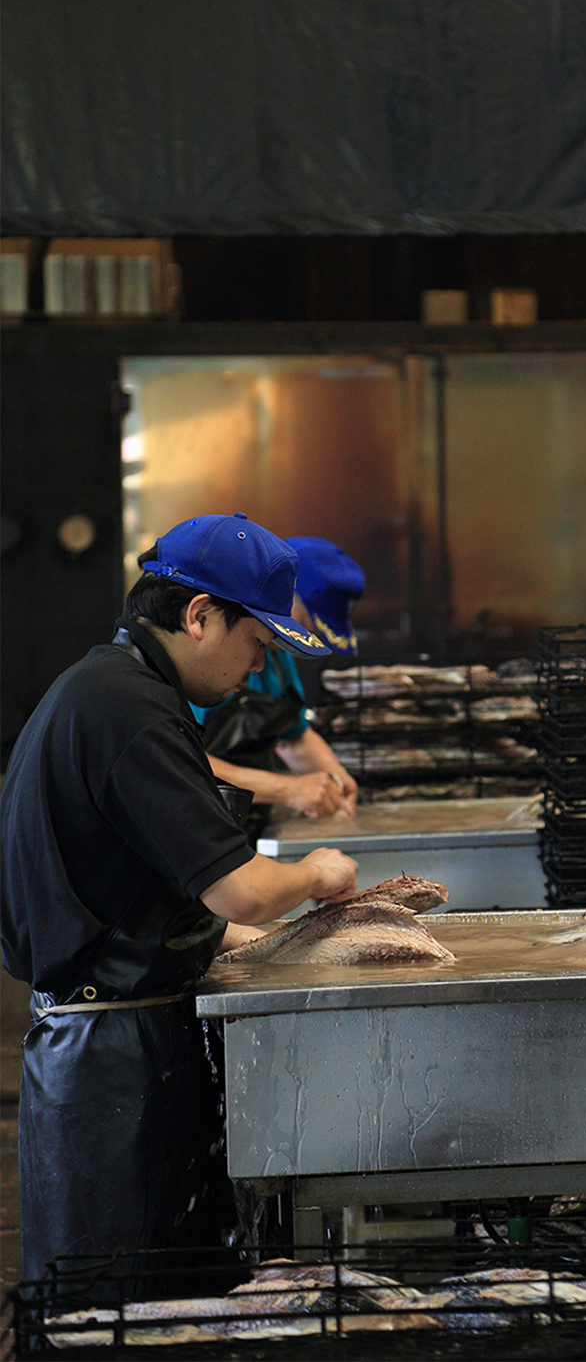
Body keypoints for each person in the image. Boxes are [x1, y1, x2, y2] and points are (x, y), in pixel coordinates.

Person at [1, 512, 362, 1297]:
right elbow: (240, 885)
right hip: (107, 1067)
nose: (259, 664)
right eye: (256, 641)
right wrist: (316, 871)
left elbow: (131, 882)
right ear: (199, 615)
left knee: (166, 1304)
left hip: (120, 1040)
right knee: (119, 1313)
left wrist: (229, 936)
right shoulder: (126, 707)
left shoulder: (120, 689)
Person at [190, 536, 365, 842]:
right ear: (281, 595)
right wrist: (288, 789)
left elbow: (292, 738)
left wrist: (336, 781)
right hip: (194, 830)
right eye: (310, 621)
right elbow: (180, 762)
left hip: (243, 826)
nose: (309, 634)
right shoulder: (208, 655)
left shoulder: (278, 653)